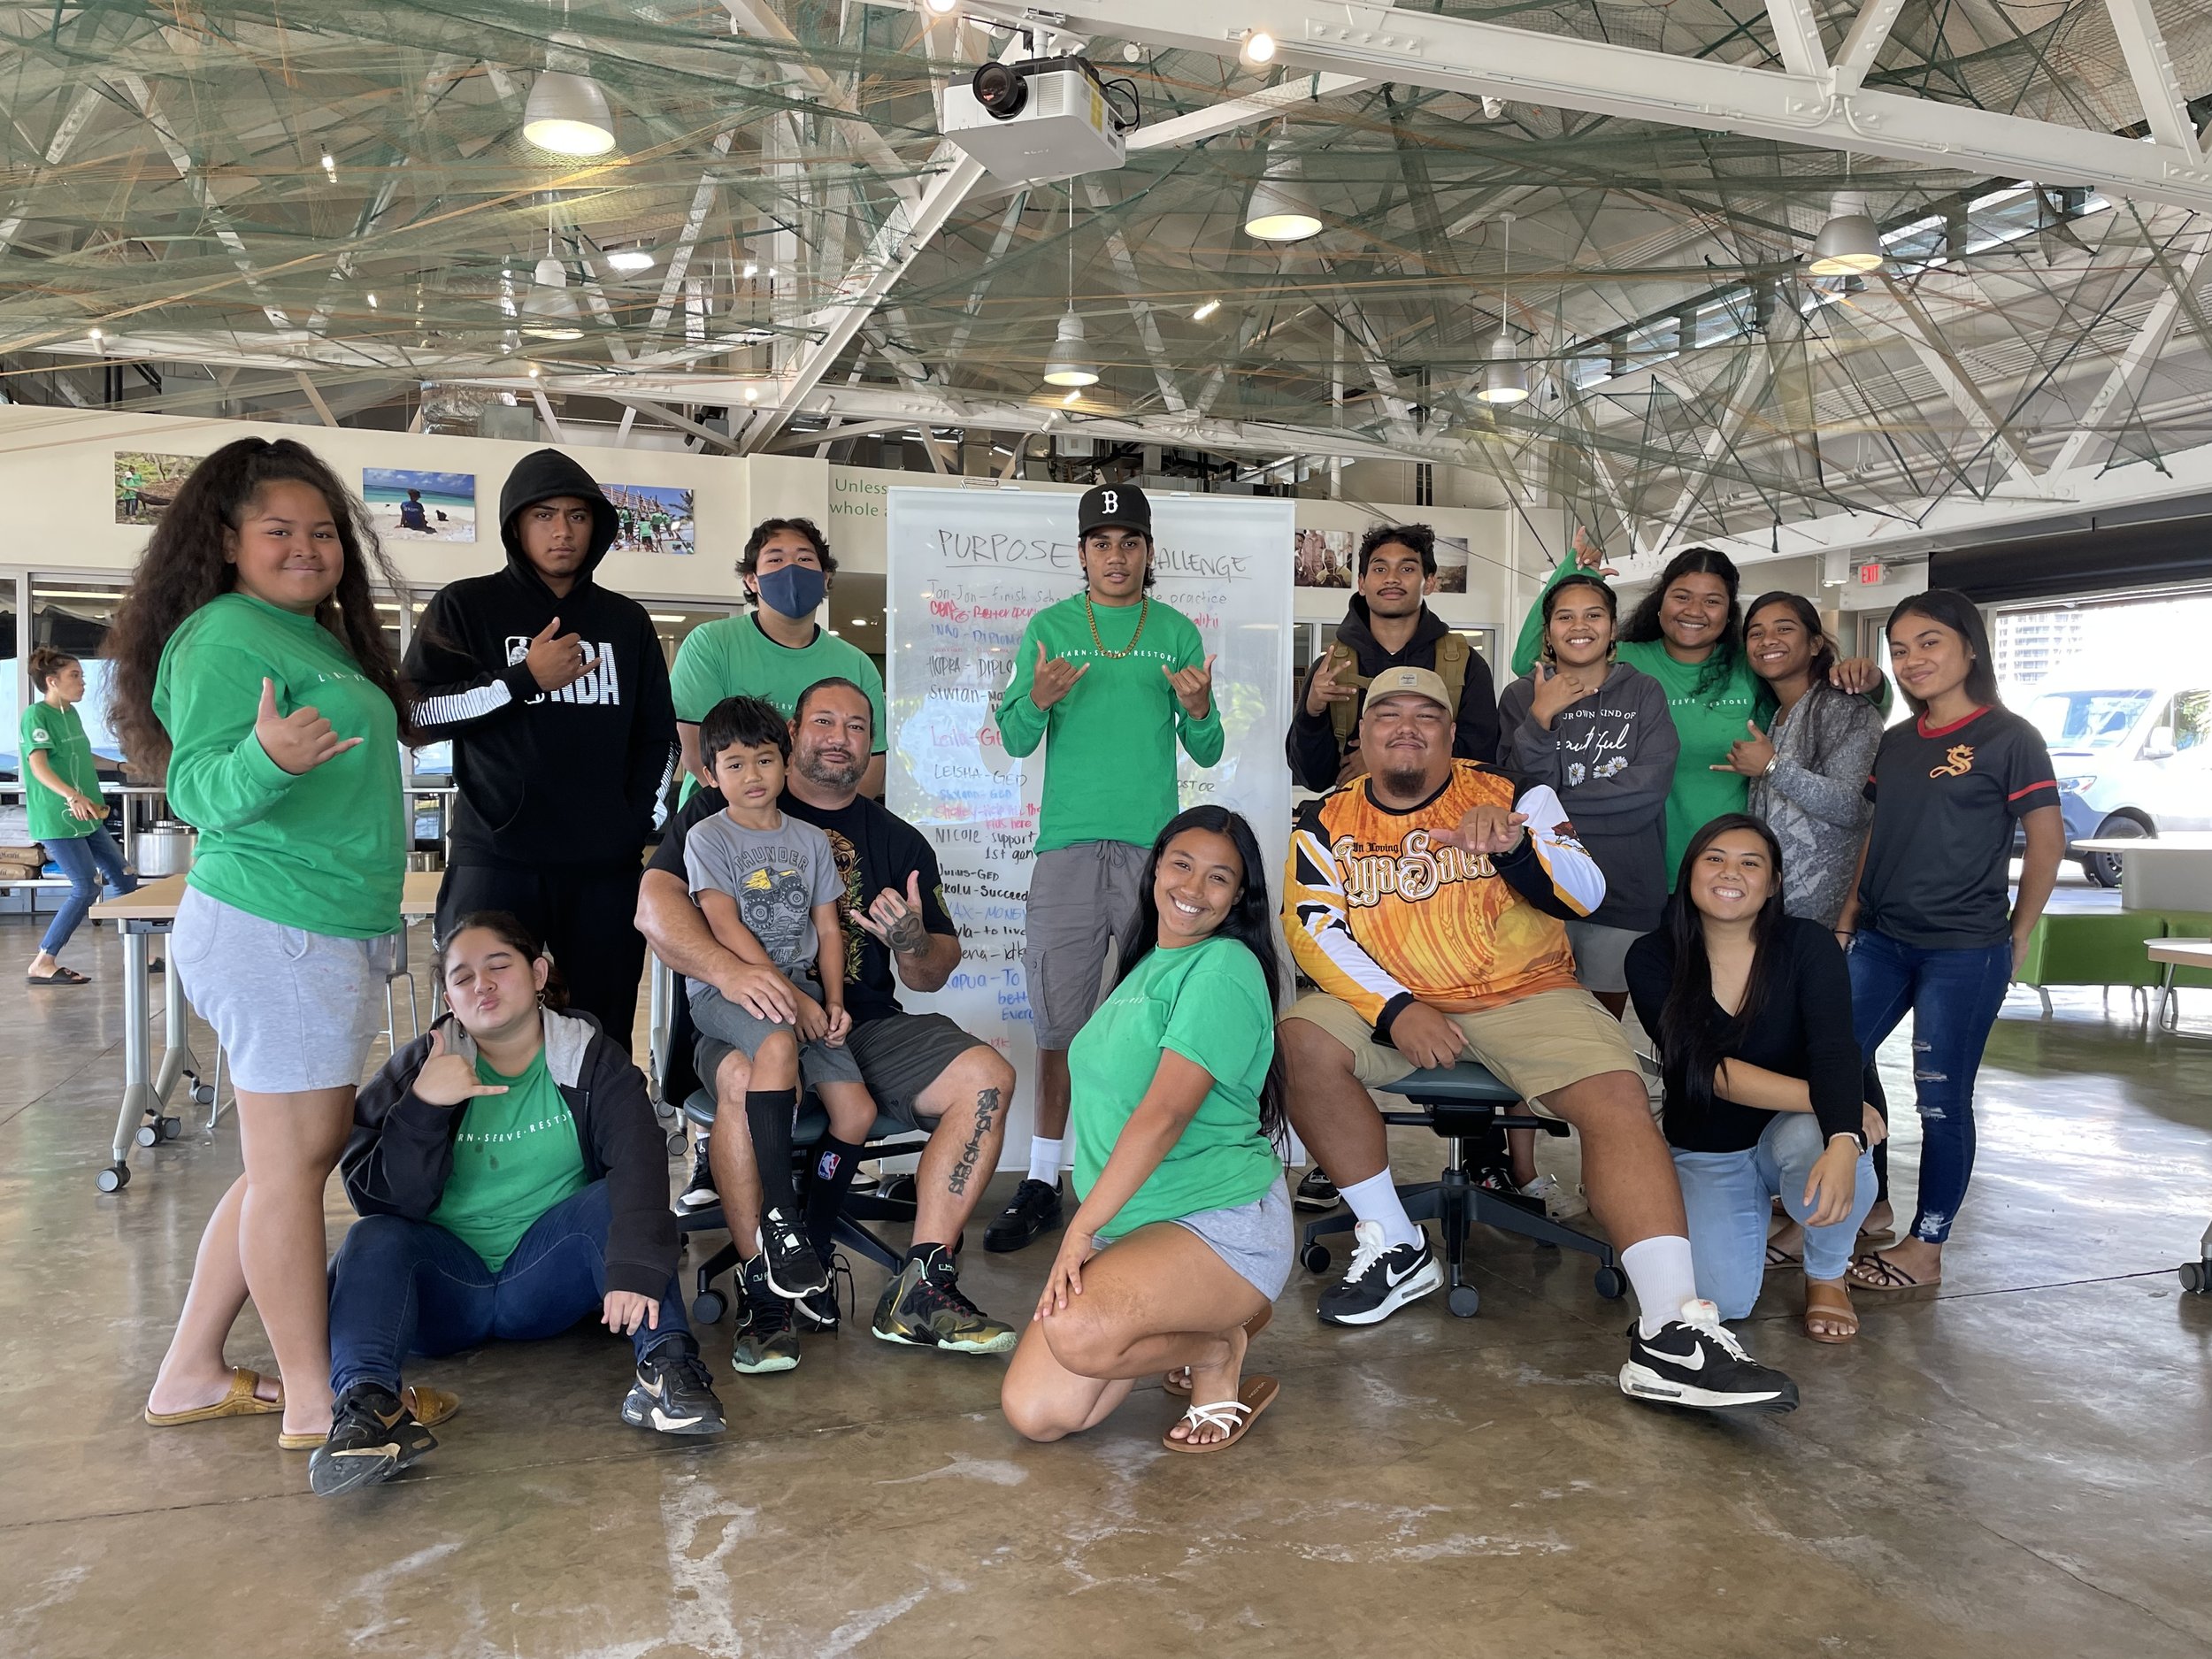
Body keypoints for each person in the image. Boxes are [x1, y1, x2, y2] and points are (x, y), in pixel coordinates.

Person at [1279, 664, 1799, 1414]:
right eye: (1387, 714)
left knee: (1616, 1095)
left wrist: (1517, 849)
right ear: (1361, 733)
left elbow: (1587, 892)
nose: (1406, 728)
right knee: (1298, 1038)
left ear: (1451, 733)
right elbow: (1313, 930)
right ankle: (1395, 1242)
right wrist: (1395, 1009)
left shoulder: (1514, 792)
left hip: (1525, 993)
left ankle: (1672, 1330)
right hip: (1393, 1001)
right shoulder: (1326, 819)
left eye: (1426, 715)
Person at [113, 437, 414, 1449]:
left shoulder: (308, 635)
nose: (306, 548)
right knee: (289, 1171)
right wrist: (267, 759)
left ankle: (192, 1370)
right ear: (227, 541)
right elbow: (197, 786)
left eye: (322, 532)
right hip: (275, 925)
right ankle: (320, 1402)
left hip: (317, 927)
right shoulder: (225, 635)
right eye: (279, 530)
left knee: (288, 1162)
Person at [637, 676, 1018, 1370]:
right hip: (743, 1018)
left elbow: (933, 969)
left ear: (871, 744)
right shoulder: (723, 805)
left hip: (857, 1022)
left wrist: (910, 941)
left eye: (856, 725)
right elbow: (654, 909)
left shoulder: (899, 840)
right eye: (824, 721)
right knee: (748, 1073)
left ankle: (921, 1285)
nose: (840, 737)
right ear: (794, 732)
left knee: (986, 1076)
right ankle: (765, 1289)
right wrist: (735, 974)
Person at [311, 913, 726, 1496]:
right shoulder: (419, 1067)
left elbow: (639, 1162)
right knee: (371, 1238)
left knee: (618, 1201)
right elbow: (377, 1199)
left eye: (498, 966)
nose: (481, 984)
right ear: (449, 999)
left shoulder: (589, 1057)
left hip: (544, 1278)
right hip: (444, 1288)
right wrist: (424, 1106)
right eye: (462, 977)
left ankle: (668, 1369)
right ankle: (367, 1410)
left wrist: (633, 1269)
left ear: (537, 974)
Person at [1002, 806, 1291, 1451]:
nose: (1194, 888)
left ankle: (1217, 1350)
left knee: (1077, 1334)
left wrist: (1079, 1230)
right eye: (1181, 865)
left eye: (1219, 877)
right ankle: (1201, 1327)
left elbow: (1163, 1116)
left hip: (1215, 1222)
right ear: (1155, 867)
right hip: (1133, 1226)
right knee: (1036, 1412)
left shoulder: (1224, 966)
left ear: (1238, 895)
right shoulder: (1143, 965)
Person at [987, 482, 1223, 1253]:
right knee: (1059, 1022)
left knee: (1153, 1023)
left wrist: (1200, 708)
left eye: (1129, 542)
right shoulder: (1051, 629)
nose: (1116, 556)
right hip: (1067, 848)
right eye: (1101, 543)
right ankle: (1041, 1179)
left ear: (1149, 551)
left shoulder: (1176, 632)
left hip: (1157, 855)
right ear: (1083, 552)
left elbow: (1210, 749)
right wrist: (1037, 698)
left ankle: (1141, 1177)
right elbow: (1016, 739)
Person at [404, 449, 677, 1056]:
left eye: (578, 516)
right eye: (544, 515)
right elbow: (415, 717)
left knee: (600, 1035)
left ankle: (594, 1122)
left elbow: (659, 737)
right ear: (516, 524)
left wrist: (632, 822)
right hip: (495, 859)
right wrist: (522, 679)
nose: (562, 531)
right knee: (480, 1031)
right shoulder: (466, 606)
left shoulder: (626, 621)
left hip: (603, 868)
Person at [1837, 590, 2062, 1296]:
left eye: (1929, 642)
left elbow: (2048, 841)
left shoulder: (2010, 737)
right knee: (1831, 1060)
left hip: (1964, 949)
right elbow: (1877, 833)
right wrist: (1849, 912)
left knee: (1940, 1099)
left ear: (1970, 646)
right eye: (1900, 649)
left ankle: (1926, 1244)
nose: (1913, 660)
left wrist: (2018, 933)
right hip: (1881, 938)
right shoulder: (1898, 741)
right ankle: (1862, 1208)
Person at [1624, 816, 1880, 1344]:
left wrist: (1842, 1134)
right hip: (1708, 1143)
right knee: (1724, 1303)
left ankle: (1827, 1276)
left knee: (1835, 1146)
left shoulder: (1807, 944)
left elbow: (1835, 1047)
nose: (1730, 873)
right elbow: (1707, 1072)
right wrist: (1837, 1105)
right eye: (1715, 858)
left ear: (1774, 882)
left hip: (1794, 1130)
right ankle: (1755, 1215)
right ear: (1689, 873)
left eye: (1750, 863)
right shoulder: (1652, 957)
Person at [1511, 530, 1886, 875]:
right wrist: (1574, 576)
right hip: (1637, 854)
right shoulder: (1625, 659)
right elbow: (1529, 661)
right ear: (1660, 604)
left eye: (1712, 601)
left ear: (1729, 613)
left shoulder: (1749, 665)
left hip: (1727, 860)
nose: (1694, 610)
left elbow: (1833, 709)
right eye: (1682, 597)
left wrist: (1874, 684)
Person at [680, 695, 872, 1305]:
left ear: (786, 762)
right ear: (710, 774)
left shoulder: (811, 840)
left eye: (764, 760)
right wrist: (793, 999)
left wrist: (832, 1002)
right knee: (780, 1045)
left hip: (804, 990)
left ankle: (811, 1239)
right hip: (730, 988)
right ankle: (780, 1217)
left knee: (856, 1112)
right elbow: (724, 925)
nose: (753, 775)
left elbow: (829, 929)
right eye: (734, 764)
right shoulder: (707, 836)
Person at [1494, 573, 1677, 1202]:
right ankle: (1523, 1173)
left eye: (1593, 614)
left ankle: (1599, 1181)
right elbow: (1518, 793)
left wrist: (1557, 808)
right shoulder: (1522, 696)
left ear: (1612, 625)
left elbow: (1647, 791)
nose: (1580, 626)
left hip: (1622, 891)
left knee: (1595, 1044)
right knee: (1526, 1034)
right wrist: (1542, 719)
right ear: (1547, 631)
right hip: (1537, 889)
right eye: (1565, 615)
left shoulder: (1643, 692)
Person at [669, 518, 886, 801]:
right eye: (775, 559)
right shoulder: (710, 644)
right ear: (751, 580)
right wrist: (770, 820)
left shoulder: (857, 665)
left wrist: (825, 819)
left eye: (804, 558)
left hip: (825, 823)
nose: (791, 568)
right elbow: (696, 752)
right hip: (722, 817)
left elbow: (870, 766)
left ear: (825, 578)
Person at [1712, 592, 1882, 930]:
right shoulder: (1777, 714)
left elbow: (1856, 808)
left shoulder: (1844, 707)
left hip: (1828, 917)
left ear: (1815, 643)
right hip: (1777, 909)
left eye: (1784, 629)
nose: (1768, 640)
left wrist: (1773, 768)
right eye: (1756, 633)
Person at [1287, 521, 1499, 791]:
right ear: (1362, 583)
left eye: (1407, 568)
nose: (1392, 578)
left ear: (1429, 582)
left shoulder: (1465, 664)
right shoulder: (1331, 668)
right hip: (1354, 817)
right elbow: (1312, 778)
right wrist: (1312, 712)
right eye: (1380, 569)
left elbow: (1481, 761)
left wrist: (1381, 759)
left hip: (1444, 816)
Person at [20, 646, 138, 986]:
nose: (83, 682)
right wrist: (71, 795)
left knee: (125, 879)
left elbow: (82, 756)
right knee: (86, 887)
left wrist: (119, 766)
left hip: (87, 816)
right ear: (52, 681)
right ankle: (43, 961)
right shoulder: (36, 716)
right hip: (59, 817)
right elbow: (38, 765)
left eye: (82, 676)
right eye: (75, 676)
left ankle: (136, 953)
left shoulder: (70, 714)